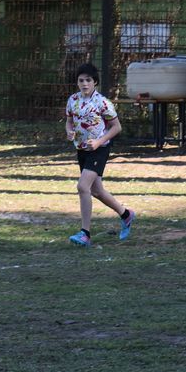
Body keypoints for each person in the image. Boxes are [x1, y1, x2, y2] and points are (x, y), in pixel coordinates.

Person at [65, 63, 135, 247]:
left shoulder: (103, 103)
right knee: (96, 190)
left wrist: (98, 141)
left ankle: (85, 234)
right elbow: (69, 121)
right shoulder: (73, 100)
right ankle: (126, 215)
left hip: (99, 149)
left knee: (83, 187)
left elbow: (116, 127)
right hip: (82, 149)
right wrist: (69, 131)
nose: (84, 84)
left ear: (95, 82)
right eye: (81, 80)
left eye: (88, 80)